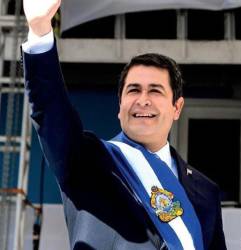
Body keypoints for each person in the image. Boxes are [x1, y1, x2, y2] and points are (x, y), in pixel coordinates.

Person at [22, 0, 226, 249]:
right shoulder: (86, 159)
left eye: (155, 91)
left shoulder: (206, 191)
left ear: (177, 107)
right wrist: (40, 30)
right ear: (120, 106)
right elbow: (51, 111)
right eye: (133, 90)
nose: (143, 100)